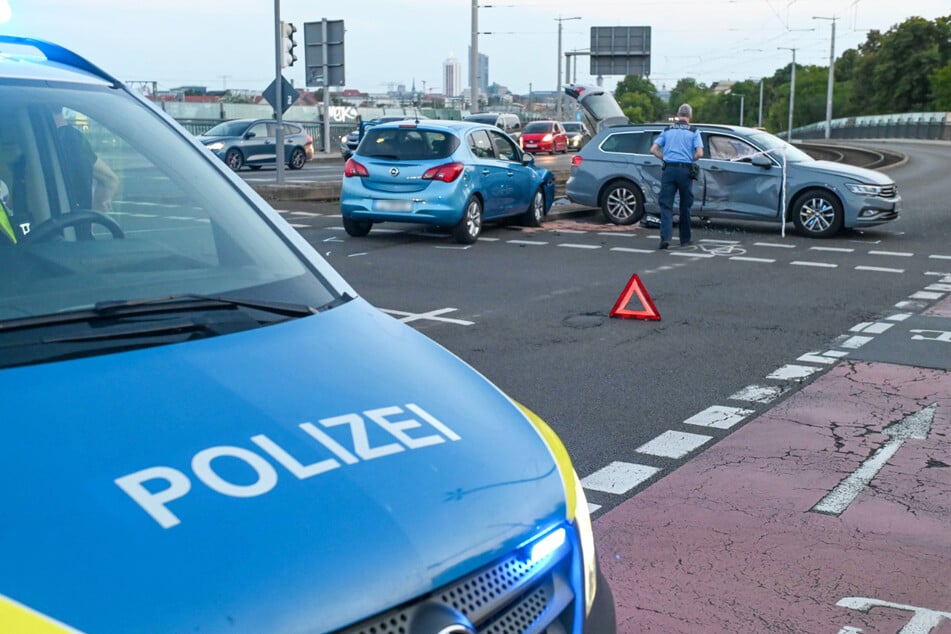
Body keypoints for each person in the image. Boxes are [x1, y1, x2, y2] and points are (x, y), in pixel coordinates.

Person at [650, 103, 704, 249]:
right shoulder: (694, 131)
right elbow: (700, 153)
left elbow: (653, 149)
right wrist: (689, 158)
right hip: (685, 171)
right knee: (685, 205)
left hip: (669, 170)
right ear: (690, 116)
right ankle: (685, 238)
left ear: (678, 114)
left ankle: (665, 238)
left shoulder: (667, 130)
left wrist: (664, 158)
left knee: (666, 205)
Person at [54, 109, 119, 213]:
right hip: (74, 224)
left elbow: (109, 180)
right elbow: (109, 180)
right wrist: (89, 223)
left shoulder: (64, 140)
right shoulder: (72, 139)